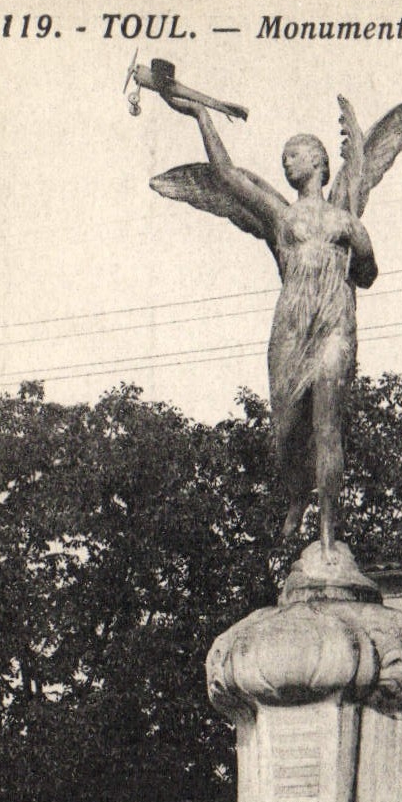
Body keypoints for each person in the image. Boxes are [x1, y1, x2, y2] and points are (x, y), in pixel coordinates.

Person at [158, 89, 377, 557]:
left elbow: (369, 274)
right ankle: (298, 496)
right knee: (284, 433)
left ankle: (328, 534)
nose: (285, 163)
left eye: (292, 154)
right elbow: (226, 175)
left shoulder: (345, 218)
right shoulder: (280, 215)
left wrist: (360, 244)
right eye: (281, 158)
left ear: (318, 160)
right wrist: (200, 113)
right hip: (292, 327)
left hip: (334, 324)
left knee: (327, 426)